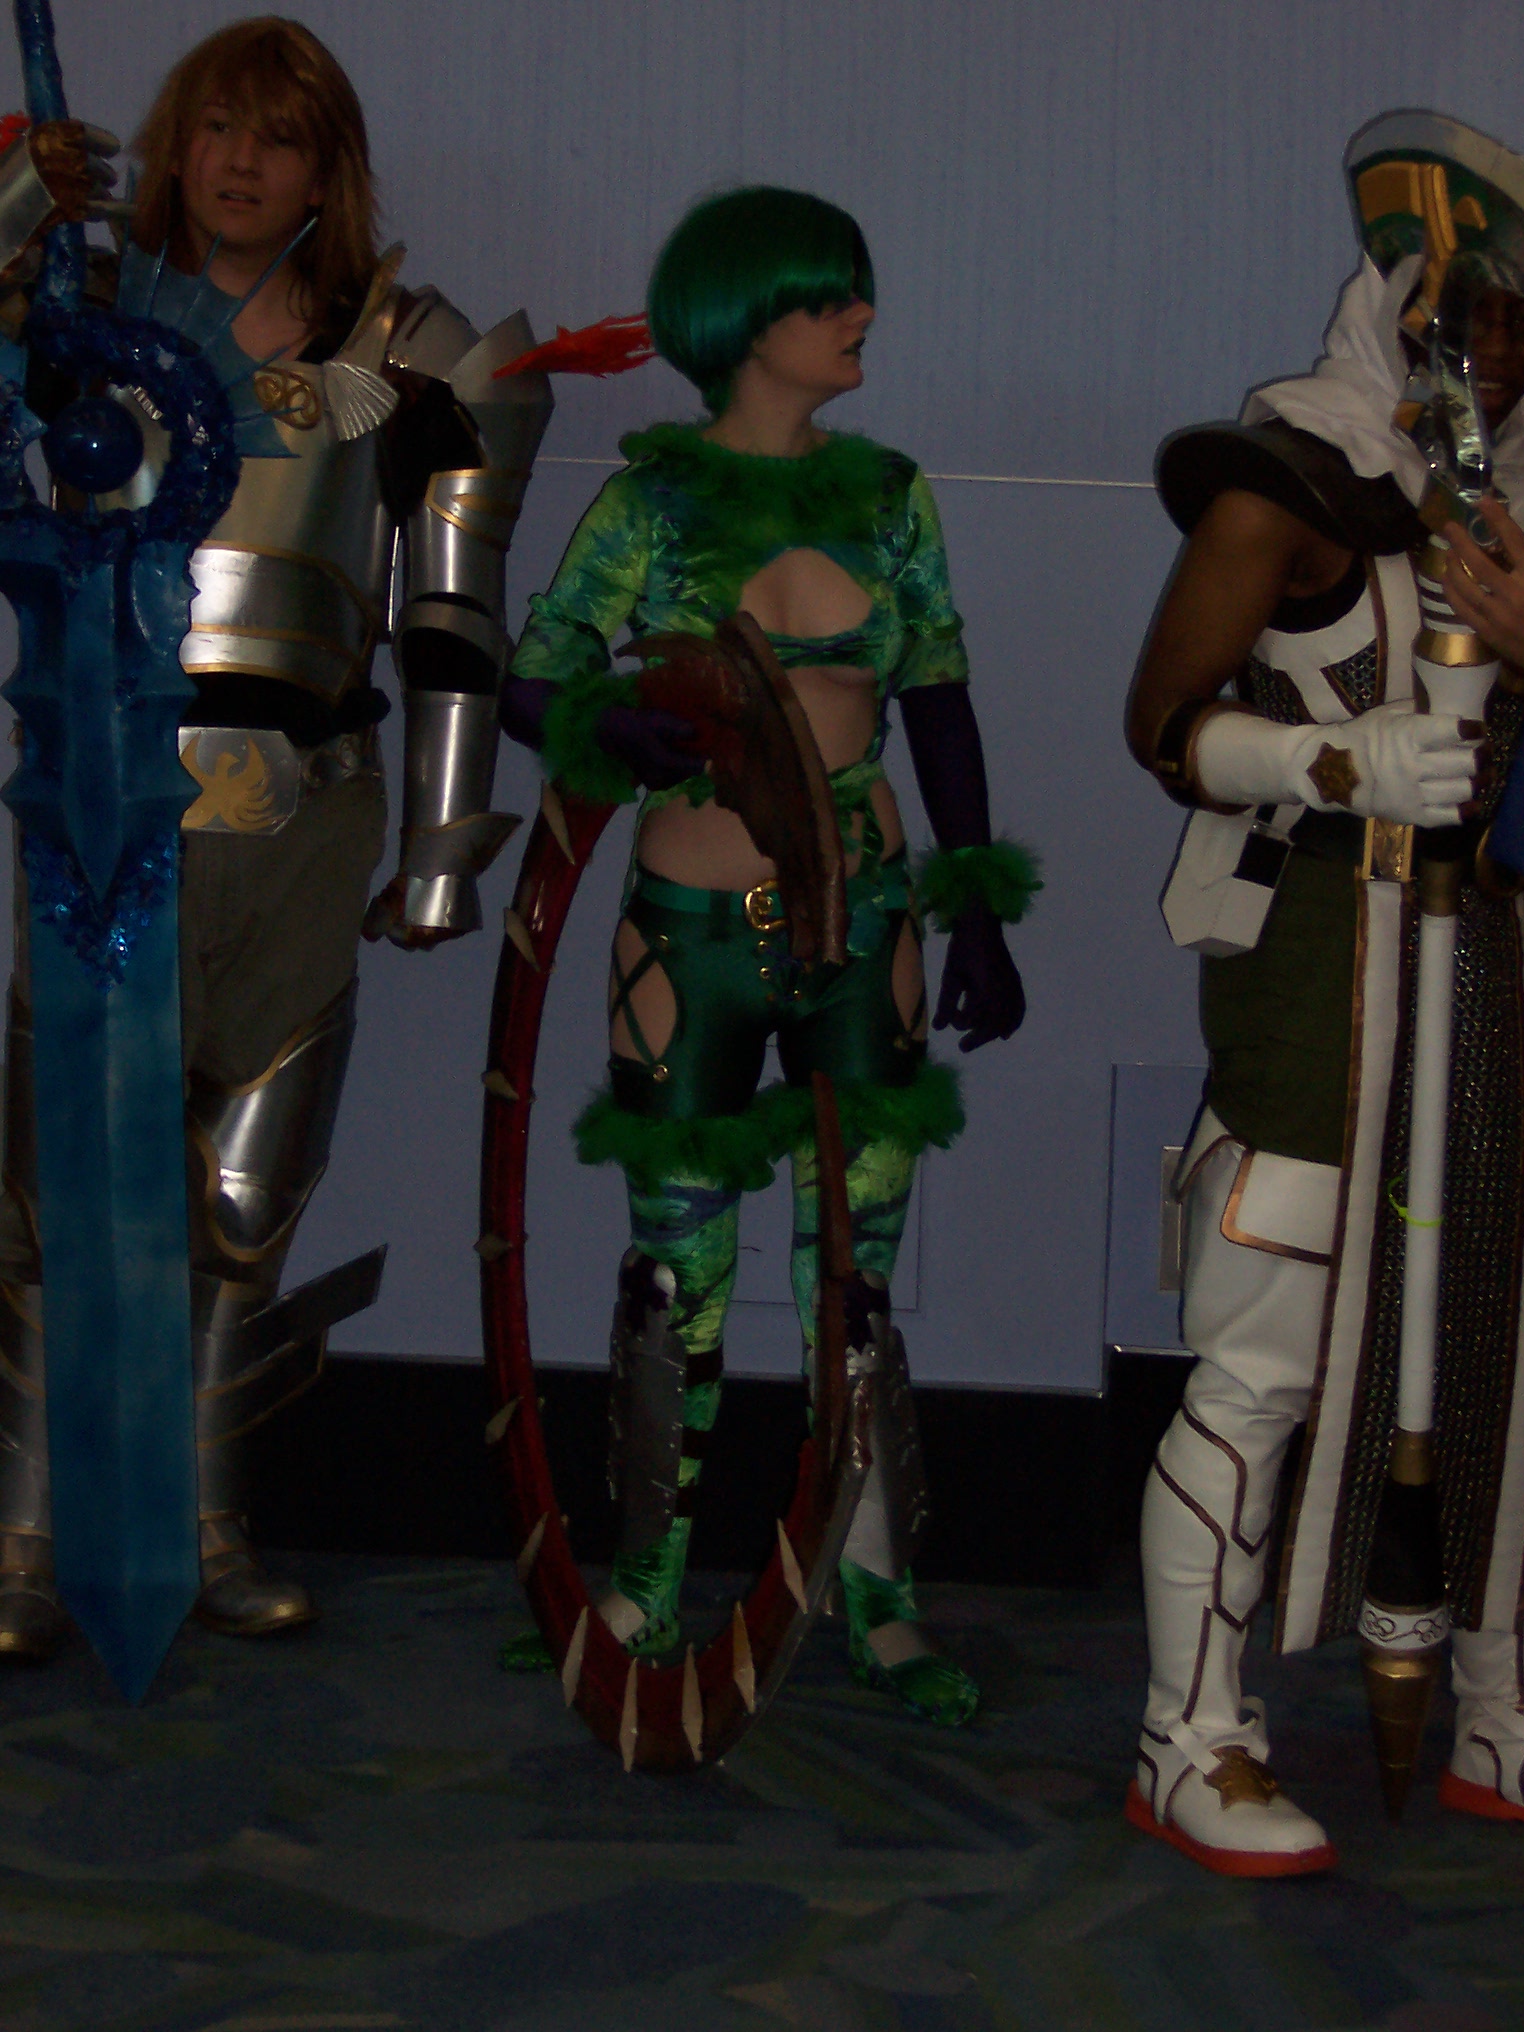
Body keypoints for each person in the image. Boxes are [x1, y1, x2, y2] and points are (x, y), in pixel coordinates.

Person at [0, 16, 550, 1657]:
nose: (242, 163)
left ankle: (208, 1521)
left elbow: (451, 617)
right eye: (219, 128)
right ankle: (25, 1534)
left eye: (281, 136)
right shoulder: (85, 317)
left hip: (307, 816)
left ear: (328, 168)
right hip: (107, 794)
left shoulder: (408, 358)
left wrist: (444, 845)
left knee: (248, 1203)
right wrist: (21, 211)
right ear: (178, 145)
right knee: (58, 1189)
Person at [499, 185, 1034, 1727]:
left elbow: (938, 698)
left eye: (856, 291)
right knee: (680, 1269)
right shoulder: (649, 507)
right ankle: (648, 1575)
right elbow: (534, 676)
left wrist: (976, 908)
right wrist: (618, 725)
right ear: (745, 322)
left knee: (853, 1279)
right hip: (688, 934)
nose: (861, 317)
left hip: (866, 929)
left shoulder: (893, 498)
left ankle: (874, 1590)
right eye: (826, 298)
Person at [1124, 110, 1524, 1873]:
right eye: (1466, 310)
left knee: (1503, 1340)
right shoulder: (1289, 484)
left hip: (1499, 972)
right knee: (1262, 1360)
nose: (1489, 350)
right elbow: (1167, 722)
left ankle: (1496, 1693)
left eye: (1514, 320)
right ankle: (1191, 1734)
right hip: (1324, 973)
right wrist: (1336, 761)